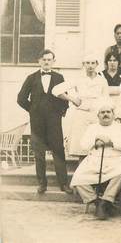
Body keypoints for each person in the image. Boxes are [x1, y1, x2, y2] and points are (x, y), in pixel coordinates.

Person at [17, 49, 73, 194]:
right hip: (37, 123)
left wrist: (60, 112)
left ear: (53, 61)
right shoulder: (31, 78)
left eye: (49, 59)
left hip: (54, 122)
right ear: (39, 61)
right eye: (44, 59)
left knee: (59, 152)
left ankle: (63, 184)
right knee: (39, 154)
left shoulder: (59, 77)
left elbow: (65, 98)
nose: (47, 62)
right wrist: (32, 110)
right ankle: (42, 183)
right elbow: (21, 98)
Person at [70, 99, 121, 220]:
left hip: (115, 159)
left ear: (113, 114)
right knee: (77, 179)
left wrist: (111, 143)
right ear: (98, 115)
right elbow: (83, 144)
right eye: (102, 112)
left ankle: (106, 200)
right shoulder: (92, 128)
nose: (105, 114)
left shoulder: (120, 127)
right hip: (94, 159)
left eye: (108, 112)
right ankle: (97, 202)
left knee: (120, 174)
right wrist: (94, 141)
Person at [52, 54, 109, 159]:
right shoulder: (78, 79)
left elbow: (106, 99)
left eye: (93, 63)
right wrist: (73, 99)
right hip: (81, 115)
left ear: (97, 64)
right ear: (83, 64)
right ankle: (81, 174)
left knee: (97, 148)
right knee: (82, 148)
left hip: (97, 116)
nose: (90, 66)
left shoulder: (102, 80)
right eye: (87, 63)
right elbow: (56, 90)